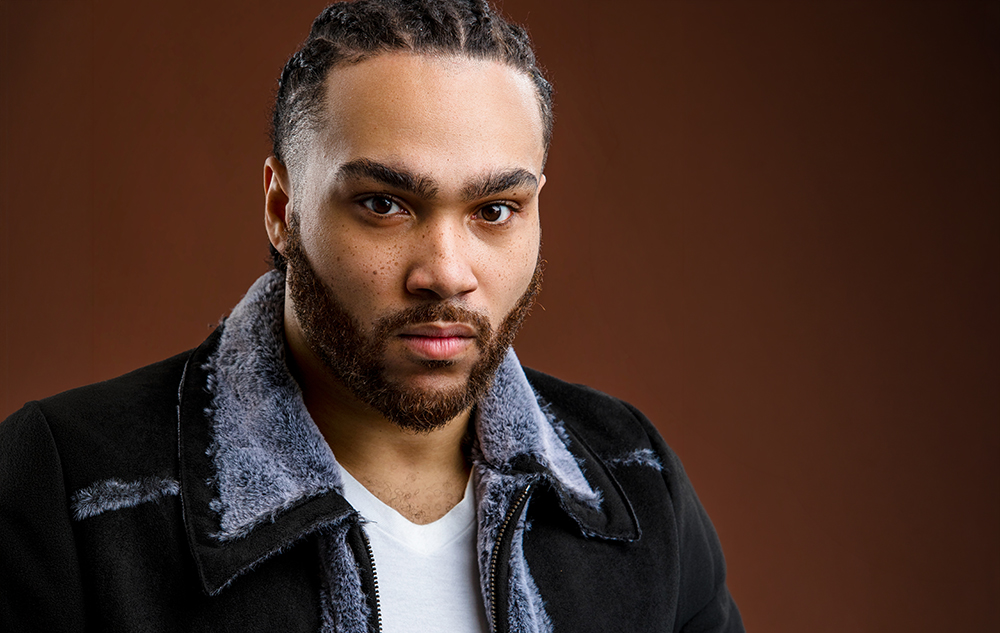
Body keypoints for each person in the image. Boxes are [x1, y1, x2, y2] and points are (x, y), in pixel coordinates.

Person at [0, 1, 743, 631]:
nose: (446, 273)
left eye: (494, 210)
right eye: (384, 204)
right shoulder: (68, 489)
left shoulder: (634, 481)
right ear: (281, 208)